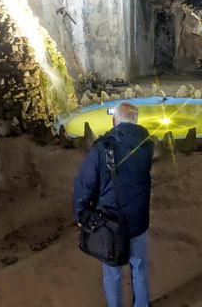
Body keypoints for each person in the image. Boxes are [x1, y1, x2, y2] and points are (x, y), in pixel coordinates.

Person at [73, 102, 154, 307]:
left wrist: (80, 213)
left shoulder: (102, 149)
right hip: (138, 219)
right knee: (139, 267)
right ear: (136, 122)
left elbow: (85, 183)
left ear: (113, 121)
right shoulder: (146, 145)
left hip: (110, 221)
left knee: (112, 272)